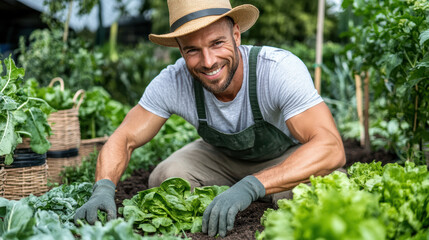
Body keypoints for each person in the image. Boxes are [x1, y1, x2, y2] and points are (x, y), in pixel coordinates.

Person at [74, 0, 346, 237]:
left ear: (236, 35)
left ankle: (261, 191)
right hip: (221, 159)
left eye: (217, 43)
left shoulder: (277, 70)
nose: (208, 61)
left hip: (284, 158)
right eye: (192, 49)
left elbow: (330, 146)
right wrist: (103, 188)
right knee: (168, 177)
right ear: (180, 51)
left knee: (315, 193)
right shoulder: (173, 81)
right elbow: (125, 137)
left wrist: (251, 186)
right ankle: (238, 198)